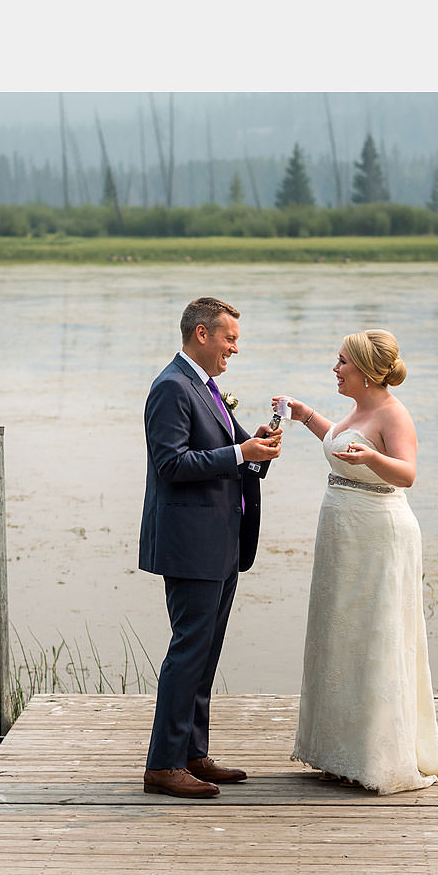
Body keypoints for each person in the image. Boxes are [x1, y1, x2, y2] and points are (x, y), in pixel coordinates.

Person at [272, 329, 438, 793]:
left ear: (368, 373)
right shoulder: (358, 410)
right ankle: (336, 751)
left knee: (375, 632)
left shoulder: (394, 414)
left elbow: (408, 474)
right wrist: (305, 416)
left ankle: (373, 755)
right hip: (342, 533)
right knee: (339, 633)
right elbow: (340, 444)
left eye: (341, 363)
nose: (334, 369)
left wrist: (375, 457)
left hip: (379, 532)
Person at [139, 295, 282, 800]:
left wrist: (256, 444)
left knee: (207, 651)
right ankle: (164, 764)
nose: (234, 349)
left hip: (220, 542)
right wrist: (239, 452)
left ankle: (193, 753)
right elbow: (171, 465)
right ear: (202, 335)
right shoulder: (171, 388)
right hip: (189, 544)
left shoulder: (206, 386)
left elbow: (233, 450)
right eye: (229, 339)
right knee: (189, 650)